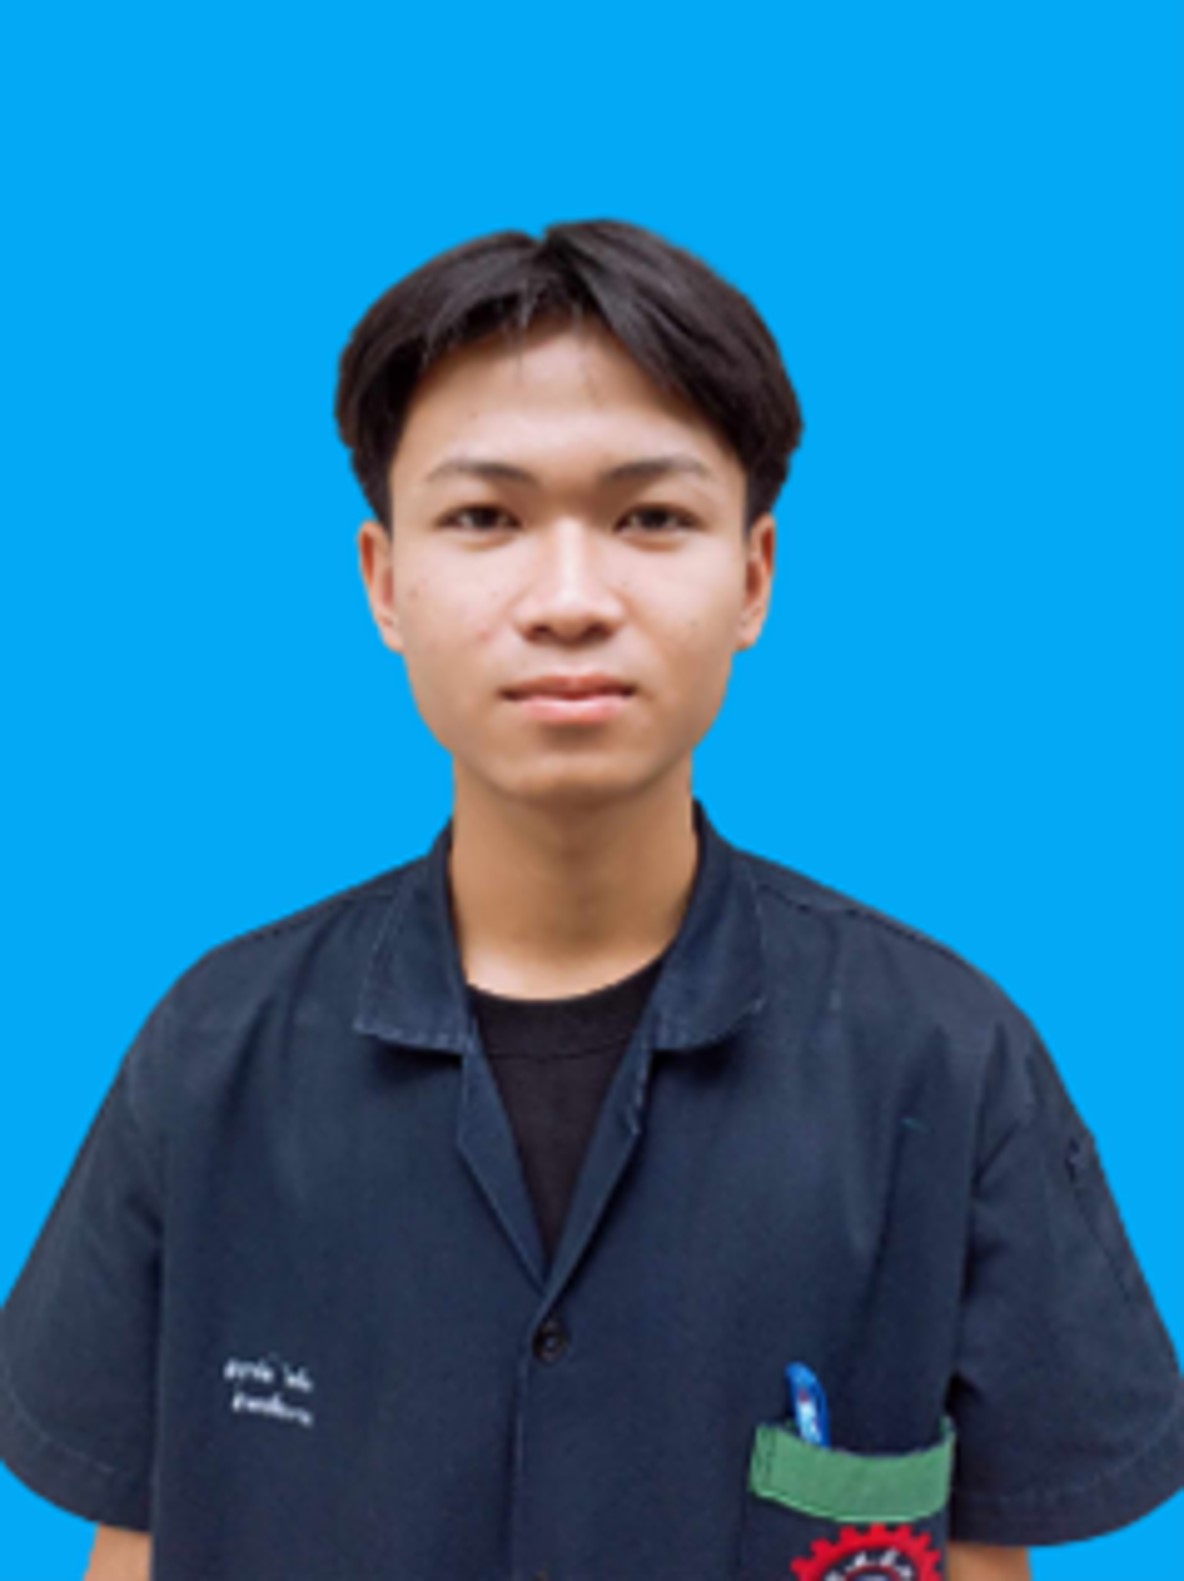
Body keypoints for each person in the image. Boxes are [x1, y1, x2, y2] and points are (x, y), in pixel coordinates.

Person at [2, 219, 1181, 1581]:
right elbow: (132, 1549)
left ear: (754, 576)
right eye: (486, 518)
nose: (569, 600)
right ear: (385, 580)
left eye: (651, 518)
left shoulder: (947, 1062)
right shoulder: (213, 1054)